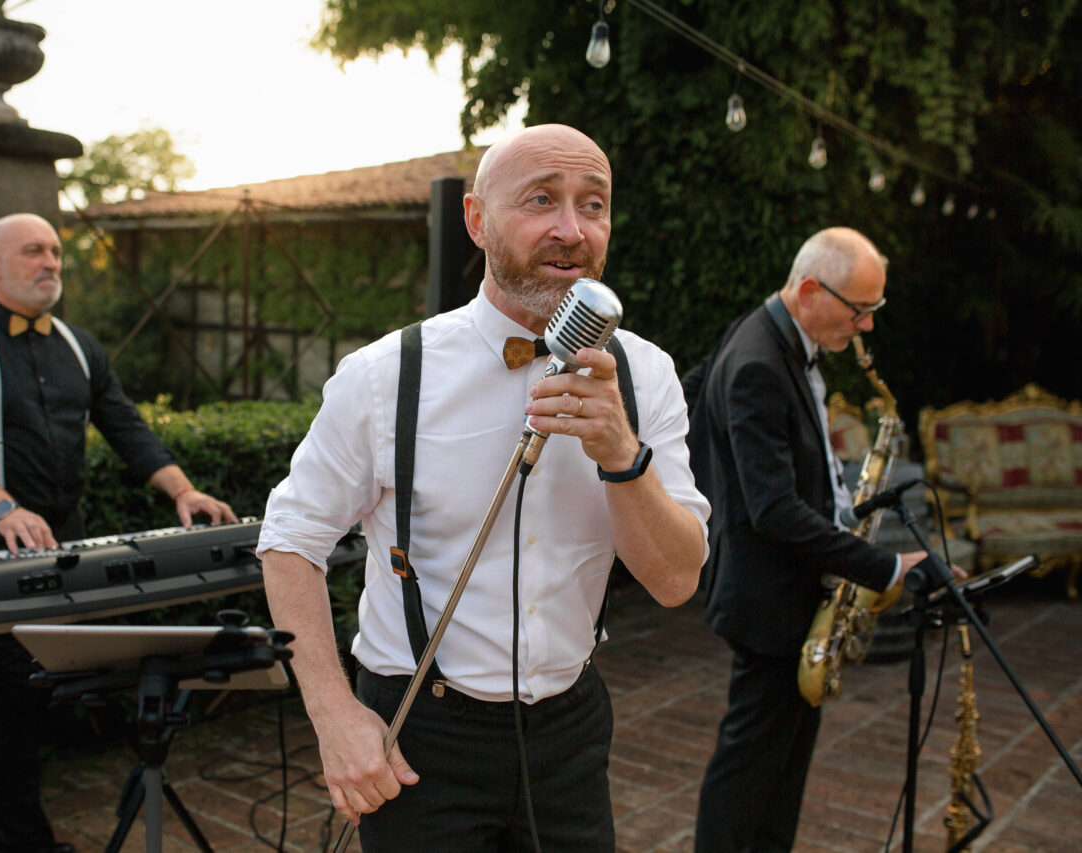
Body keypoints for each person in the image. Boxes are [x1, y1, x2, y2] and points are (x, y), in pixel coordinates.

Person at [256, 123, 710, 850]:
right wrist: (334, 714)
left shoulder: (647, 374)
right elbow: (289, 541)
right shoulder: (386, 375)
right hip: (419, 735)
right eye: (541, 199)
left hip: (569, 730)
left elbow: (677, 580)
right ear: (477, 219)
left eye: (594, 205)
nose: (572, 229)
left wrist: (622, 453)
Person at [0, 212, 235, 853]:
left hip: (63, 548)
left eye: (56, 252)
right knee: (13, 694)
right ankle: (28, 841)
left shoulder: (81, 348)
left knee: (26, 701)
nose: (51, 263)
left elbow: (126, 429)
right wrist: (5, 510)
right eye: (34, 251)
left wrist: (184, 490)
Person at [687, 227, 930, 852]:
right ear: (811, 290)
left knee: (781, 767)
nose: (868, 326)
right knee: (748, 770)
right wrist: (884, 567)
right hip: (768, 597)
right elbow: (773, 511)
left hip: (784, 592)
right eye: (860, 310)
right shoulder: (758, 364)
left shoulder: (777, 340)